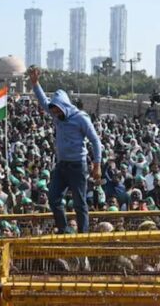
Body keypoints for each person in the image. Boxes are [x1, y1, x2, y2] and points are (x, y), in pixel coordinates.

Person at [28, 66, 102, 233]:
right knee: (53, 198)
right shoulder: (55, 113)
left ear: (65, 106)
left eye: (57, 110)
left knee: (79, 203)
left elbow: (95, 141)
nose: (54, 113)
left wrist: (97, 164)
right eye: (53, 110)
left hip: (77, 166)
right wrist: (35, 83)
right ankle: (64, 229)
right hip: (62, 165)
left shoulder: (80, 118)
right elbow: (43, 101)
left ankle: (83, 234)